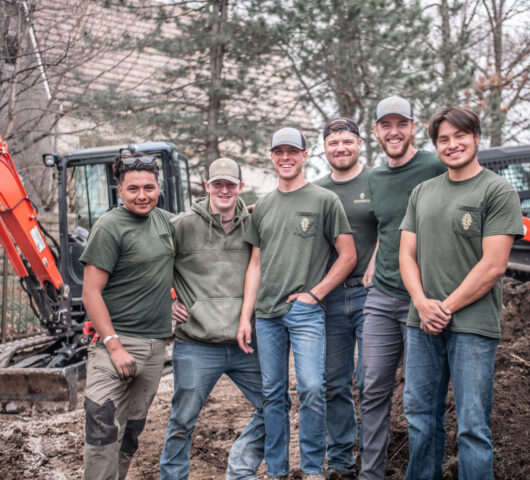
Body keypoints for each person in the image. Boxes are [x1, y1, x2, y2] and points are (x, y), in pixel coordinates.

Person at [398, 106, 523, 479]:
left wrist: (443, 309)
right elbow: (406, 255)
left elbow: (494, 265)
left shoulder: (497, 190)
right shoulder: (422, 192)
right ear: (436, 145)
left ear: (476, 137)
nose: (452, 145)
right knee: (420, 418)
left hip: (472, 325)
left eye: (460, 136)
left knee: (472, 426)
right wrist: (421, 303)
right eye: (443, 139)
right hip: (421, 324)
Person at [237, 127, 357, 480]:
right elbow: (255, 264)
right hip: (267, 316)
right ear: (272, 157)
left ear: (305, 155)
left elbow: (348, 255)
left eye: (293, 151)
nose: (285, 157)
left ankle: (312, 468)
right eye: (279, 151)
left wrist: (315, 294)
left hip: (305, 312)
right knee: (273, 394)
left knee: (312, 388)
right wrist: (246, 317)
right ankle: (277, 471)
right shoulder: (263, 206)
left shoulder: (324, 200)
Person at [359, 95, 447, 480]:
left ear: (413, 127)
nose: (393, 132)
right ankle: (371, 473)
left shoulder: (435, 165)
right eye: (386, 125)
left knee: (421, 396)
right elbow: (387, 227)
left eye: (401, 124)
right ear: (376, 131)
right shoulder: (375, 178)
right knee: (372, 389)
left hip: (423, 297)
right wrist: (374, 262)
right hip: (381, 296)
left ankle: (422, 472)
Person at [160, 158, 264, 480]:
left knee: (275, 406)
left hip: (246, 343)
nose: (224, 190)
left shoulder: (255, 224)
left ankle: (241, 469)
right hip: (197, 344)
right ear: (207, 186)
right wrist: (167, 301)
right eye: (217, 184)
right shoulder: (182, 225)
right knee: (182, 421)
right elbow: (153, 265)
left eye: (230, 184)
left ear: (240, 188)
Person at [81, 152, 174, 480]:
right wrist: (114, 345)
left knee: (131, 433)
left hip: (155, 348)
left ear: (159, 188)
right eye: (133, 189)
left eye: (149, 188)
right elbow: (90, 293)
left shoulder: (167, 222)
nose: (142, 195)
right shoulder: (109, 227)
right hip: (114, 346)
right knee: (102, 426)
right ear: (120, 190)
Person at [314, 117, 377, 479]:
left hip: (373, 296)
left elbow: (395, 224)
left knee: (371, 381)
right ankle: (341, 461)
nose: (341, 148)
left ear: (359, 144)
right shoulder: (316, 190)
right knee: (333, 383)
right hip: (332, 299)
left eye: (347, 141)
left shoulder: (377, 181)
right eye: (333, 143)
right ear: (324, 148)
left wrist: (379, 262)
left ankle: (372, 459)